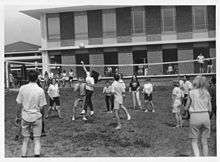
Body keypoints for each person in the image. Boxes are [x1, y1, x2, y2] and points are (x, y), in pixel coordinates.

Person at [16, 70, 47, 157]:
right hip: (37, 117)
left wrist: (17, 117)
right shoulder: (40, 90)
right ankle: (36, 157)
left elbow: (18, 104)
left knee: (25, 140)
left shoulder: (22, 88)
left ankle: (23, 157)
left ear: (28, 78)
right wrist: (42, 117)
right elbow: (42, 107)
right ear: (37, 78)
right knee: (37, 140)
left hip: (25, 117)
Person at [185, 76, 212, 156]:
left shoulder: (191, 92)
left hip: (195, 116)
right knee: (204, 142)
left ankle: (197, 158)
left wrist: (184, 110)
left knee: (194, 141)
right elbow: (210, 108)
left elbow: (187, 105)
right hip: (205, 116)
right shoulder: (207, 93)